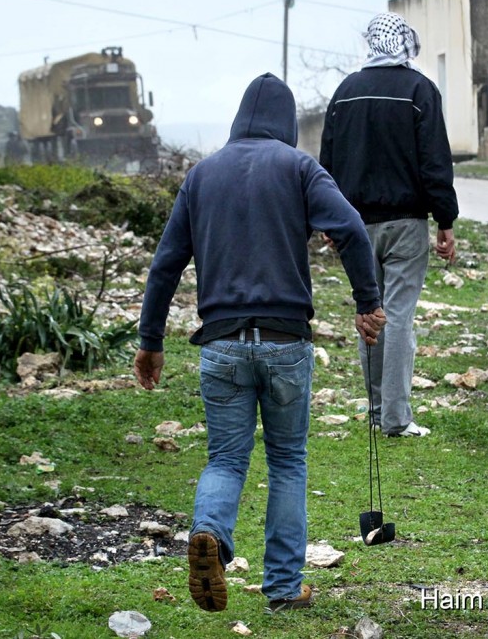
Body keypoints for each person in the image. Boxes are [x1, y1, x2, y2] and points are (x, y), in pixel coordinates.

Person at [133, 73, 386, 614]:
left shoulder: (201, 175)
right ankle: (283, 587)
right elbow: (351, 229)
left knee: (225, 459)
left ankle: (210, 535)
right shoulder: (299, 168)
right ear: (288, 123)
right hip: (284, 341)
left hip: (221, 344)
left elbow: (165, 265)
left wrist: (150, 340)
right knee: (288, 461)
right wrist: (367, 302)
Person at [319, 12, 459, 439]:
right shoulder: (420, 89)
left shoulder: (344, 92)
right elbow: (435, 162)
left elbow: (327, 161)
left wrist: (326, 215)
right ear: (404, 43)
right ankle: (396, 418)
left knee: (369, 312)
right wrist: (445, 221)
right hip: (406, 224)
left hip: (355, 227)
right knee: (397, 316)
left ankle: (378, 410)